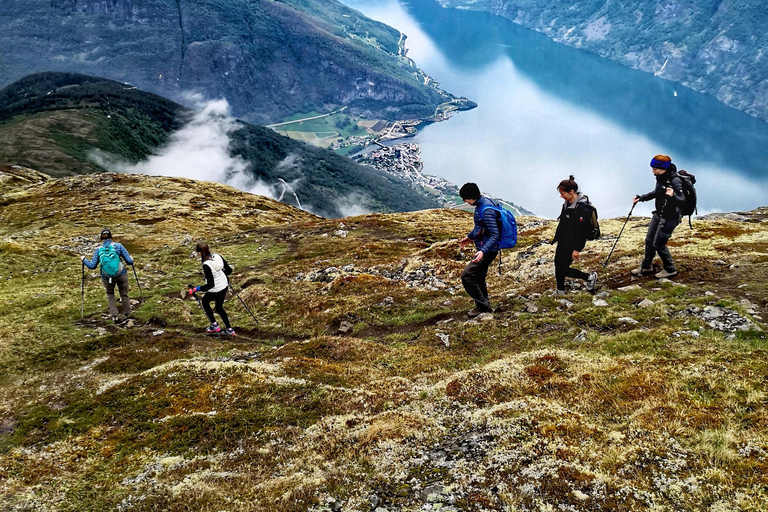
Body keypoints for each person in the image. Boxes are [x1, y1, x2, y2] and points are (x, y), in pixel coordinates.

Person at [631, 154, 685, 279]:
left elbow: (682, 201)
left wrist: (673, 196)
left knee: (659, 244)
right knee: (649, 241)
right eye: (652, 168)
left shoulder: (675, 180)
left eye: (655, 169)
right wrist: (642, 198)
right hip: (658, 214)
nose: (652, 171)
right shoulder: (660, 177)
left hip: (670, 217)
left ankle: (670, 269)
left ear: (664, 168)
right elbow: (657, 192)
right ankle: (646, 266)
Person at [458, 183, 499, 317]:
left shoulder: (486, 210)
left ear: (471, 197)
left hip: (487, 250)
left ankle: (482, 306)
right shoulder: (482, 204)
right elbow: (481, 227)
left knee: (467, 276)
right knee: (479, 277)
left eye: (465, 199)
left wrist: (483, 251)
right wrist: (469, 237)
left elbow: (494, 234)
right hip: (485, 248)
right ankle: (484, 305)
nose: (465, 201)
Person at [552, 176, 598, 295]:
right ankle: (560, 290)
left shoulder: (583, 208)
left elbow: (582, 232)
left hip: (572, 242)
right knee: (558, 265)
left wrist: (577, 249)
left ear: (571, 192)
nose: (561, 196)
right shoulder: (567, 204)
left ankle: (588, 277)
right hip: (563, 240)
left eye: (563, 193)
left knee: (563, 268)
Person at [80, 229, 135, 323]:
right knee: (124, 293)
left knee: (110, 294)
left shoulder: (98, 250)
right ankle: (128, 313)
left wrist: (84, 259)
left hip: (106, 277)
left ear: (101, 238)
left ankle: (115, 316)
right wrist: (131, 259)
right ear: (111, 237)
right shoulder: (118, 246)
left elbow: (92, 266)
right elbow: (129, 262)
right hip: (121, 274)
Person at [188, 242, 235, 335]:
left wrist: (196, 289)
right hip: (224, 286)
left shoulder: (207, 265)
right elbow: (229, 270)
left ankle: (215, 326)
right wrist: (222, 277)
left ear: (199, 253)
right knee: (219, 307)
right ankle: (229, 329)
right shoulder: (218, 256)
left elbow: (210, 285)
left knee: (205, 302)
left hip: (216, 289)